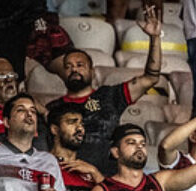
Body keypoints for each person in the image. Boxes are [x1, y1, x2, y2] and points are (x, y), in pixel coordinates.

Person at [54, 9, 164, 170]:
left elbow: (151, 78)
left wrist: (155, 38)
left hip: (107, 175)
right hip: (68, 175)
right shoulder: (55, 108)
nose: (74, 70)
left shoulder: (110, 95)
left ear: (92, 71)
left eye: (80, 65)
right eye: (68, 67)